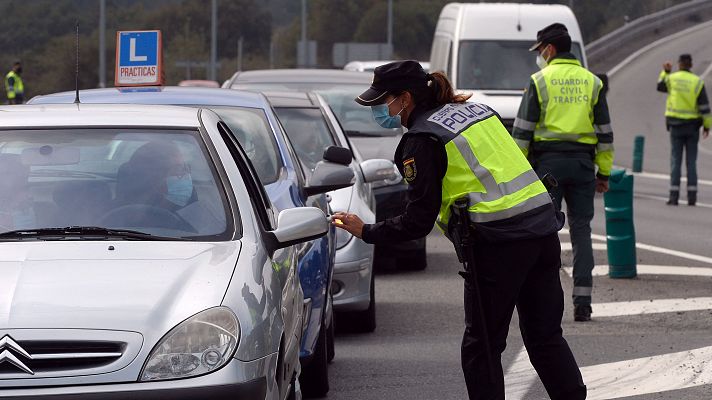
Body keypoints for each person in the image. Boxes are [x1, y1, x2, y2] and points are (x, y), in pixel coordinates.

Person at [332, 60, 586, 400]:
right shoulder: (478, 112)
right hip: (542, 231)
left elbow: (417, 221)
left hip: (498, 245)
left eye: (384, 101)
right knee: (545, 338)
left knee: (481, 347)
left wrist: (368, 231)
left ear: (405, 98)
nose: (383, 109)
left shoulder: (422, 139)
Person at [512, 23, 614, 322]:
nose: (539, 56)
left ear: (550, 49)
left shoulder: (539, 81)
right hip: (583, 164)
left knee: (544, 230)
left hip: (548, 166)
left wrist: (520, 173)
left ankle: (545, 299)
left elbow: (522, 134)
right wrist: (604, 174)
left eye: (540, 51)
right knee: (582, 231)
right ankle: (583, 300)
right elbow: (605, 133)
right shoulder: (593, 82)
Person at [656, 53, 711, 206]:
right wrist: (707, 126)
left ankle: (674, 197)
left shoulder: (672, 78)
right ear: (691, 65)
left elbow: (660, 86)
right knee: (691, 162)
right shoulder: (697, 82)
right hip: (693, 127)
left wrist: (665, 71)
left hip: (675, 126)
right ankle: (692, 197)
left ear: (679, 64)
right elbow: (705, 108)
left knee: (675, 161)